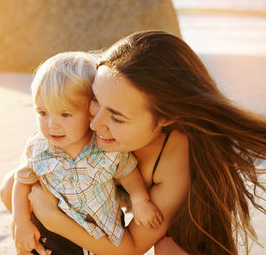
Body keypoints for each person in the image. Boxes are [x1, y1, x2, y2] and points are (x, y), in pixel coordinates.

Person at [24, 31, 266, 255]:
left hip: (172, 234)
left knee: (168, 248)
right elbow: (20, 179)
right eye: (95, 99)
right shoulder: (96, 119)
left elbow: (131, 247)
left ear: (166, 118)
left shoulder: (173, 163)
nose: (95, 124)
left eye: (117, 117)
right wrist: (22, 220)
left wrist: (52, 218)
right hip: (97, 209)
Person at [8, 51, 163, 255]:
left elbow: (127, 170)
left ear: (91, 110)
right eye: (43, 113)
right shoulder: (38, 147)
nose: (52, 125)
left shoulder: (104, 146)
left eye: (65, 114)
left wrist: (140, 200)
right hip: (50, 235)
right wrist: (21, 222)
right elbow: (22, 183)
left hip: (99, 234)